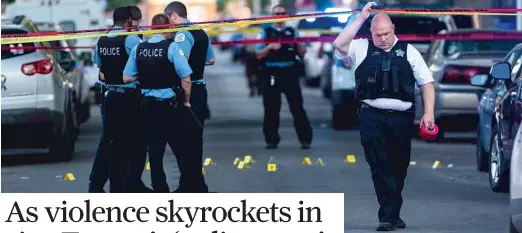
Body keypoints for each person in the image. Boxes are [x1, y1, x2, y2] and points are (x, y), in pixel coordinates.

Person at [333, 2, 435, 231]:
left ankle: (393, 212)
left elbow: (426, 83)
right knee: (380, 164)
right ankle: (387, 217)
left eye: (387, 33)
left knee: (399, 166)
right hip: (371, 115)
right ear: (371, 33)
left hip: (401, 118)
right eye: (378, 34)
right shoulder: (360, 48)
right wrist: (360, 19)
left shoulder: (410, 51)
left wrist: (429, 112)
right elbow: (339, 44)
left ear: (394, 29)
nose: (383, 39)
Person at [122, 13, 193, 193]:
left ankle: (159, 188)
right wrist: (186, 100)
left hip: (148, 105)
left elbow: (126, 77)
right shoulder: (172, 48)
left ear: (151, 28)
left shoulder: (139, 49)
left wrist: (145, 75)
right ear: (168, 27)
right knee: (180, 146)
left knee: (155, 148)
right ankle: (188, 185)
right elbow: (186, 78)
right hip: (169, 106)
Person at [88, 6, 150, 193]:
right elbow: (144, 62)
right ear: (129, 21)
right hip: (129, 98)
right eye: (136, 22)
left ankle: (97, 185)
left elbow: (100, 67)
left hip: (110, 96)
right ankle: (125, 184)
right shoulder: (131, 39)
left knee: (108, 142)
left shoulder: (103, 40)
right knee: (134, 141)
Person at [164, 1, 214, 193]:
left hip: (188, 91)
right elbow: (210, 59)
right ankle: (194, 185)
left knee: (181, 139)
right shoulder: (201, 31)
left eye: (167, 19)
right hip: (199, 87)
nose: (166, 24)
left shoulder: (182, 34)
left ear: (174, 16)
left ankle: (191, 186)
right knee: (194, 139)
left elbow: (180, 63)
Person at [255, 4, 313, 150]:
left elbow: (302, 53)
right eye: (276, 14)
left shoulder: (293, 31)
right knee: (271, 108)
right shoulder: (264, 33)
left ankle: (305, 139)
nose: (279, 16)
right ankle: (271, 139)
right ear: (272, 16)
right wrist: (269, 47)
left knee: (297, 107)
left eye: (282, 13)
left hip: (290, 72)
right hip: (272, 72)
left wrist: (298, 44)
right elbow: (258, 54)